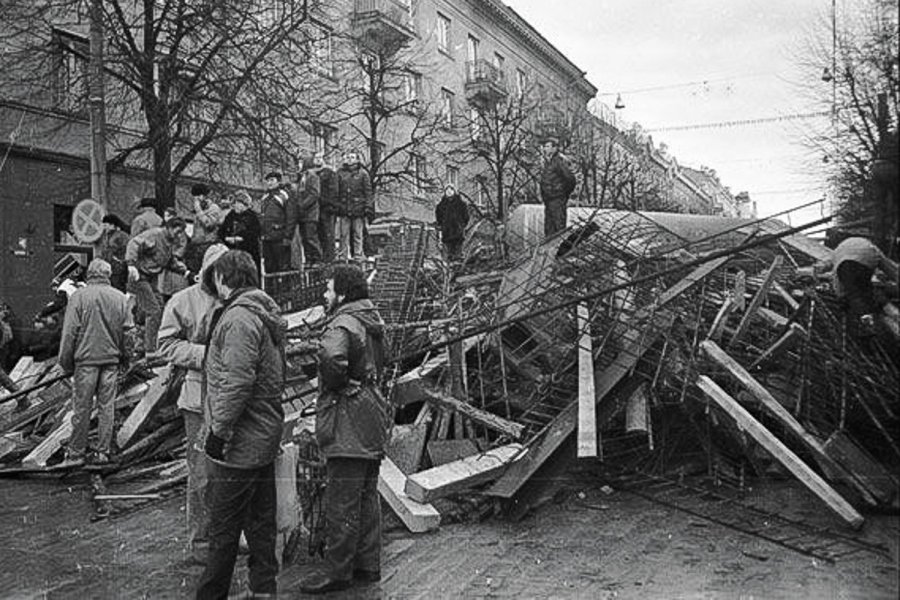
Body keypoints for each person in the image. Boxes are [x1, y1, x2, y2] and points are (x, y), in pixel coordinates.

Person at [196, 250, 285, 600]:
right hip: (261, 435)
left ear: (224, 279)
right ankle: (263, 590)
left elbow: (236, 382)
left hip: (240, 440)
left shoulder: (237, 320)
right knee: (261, 521)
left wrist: (218, 431)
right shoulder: (262, 312)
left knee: (223, 529)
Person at [299, 265, 392, 594]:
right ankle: (368, 565)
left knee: (342, 499)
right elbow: (386, 356)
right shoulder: (371, 318)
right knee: (366, 495)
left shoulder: (342, 322)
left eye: (328, 289)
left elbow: (330, 356)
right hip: (371, 410)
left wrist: (337, 384)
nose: (325, 295)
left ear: (342, 293)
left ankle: (337, 572)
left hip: (347, 415)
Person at [158, 243, 228, 567]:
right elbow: (166, 344)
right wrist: (203, 356)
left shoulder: (236, 298)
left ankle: (225, 537)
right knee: (201, 474)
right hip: (198, 401)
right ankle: (201, 541)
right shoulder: (183, 301)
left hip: (232, 400)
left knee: (229, 476)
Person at [57, 259, 132, 464]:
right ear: (107, 275)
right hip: (111, 362)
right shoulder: (120, 298)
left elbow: (69, 333)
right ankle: (102, 453)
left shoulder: (79, 297)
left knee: (82, 409)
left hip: (85, 363)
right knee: (107, 408)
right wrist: (126, 359)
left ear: (89, 274)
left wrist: (65, 363)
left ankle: (76, 454)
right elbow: (128, 333)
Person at [125, 217, 189, 354]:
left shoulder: (170, 242)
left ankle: (148, 343)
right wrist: (131, 265)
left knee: (160, 306)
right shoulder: (154, 235)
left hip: (152, 277)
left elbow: (168, 260)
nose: (179, 235)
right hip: (139, 276)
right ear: (170, 227)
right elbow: (134, 243)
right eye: (177, 232)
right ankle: (150, 350)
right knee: (153, 311)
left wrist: (185, 271)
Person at [819, 235, 899, 334]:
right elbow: (890, 269)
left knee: (854, 293)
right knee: (867, 292)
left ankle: (867, 320)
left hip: (848, 265)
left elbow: (836, 275)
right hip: (868, 261)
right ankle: (893, 313)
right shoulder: (870, 246)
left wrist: (841, 296)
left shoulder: (837, 254)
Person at [337, 151, 373, 260]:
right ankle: (343, 256)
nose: (350, 159)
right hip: (344, 208)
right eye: (348, 157)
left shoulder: (363, 174)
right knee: (343, 234)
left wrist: (367, 207)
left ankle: (358, 255)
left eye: (352, 157)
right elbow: (336, 191)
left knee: (358, 234)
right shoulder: (340, 173)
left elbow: (368, 192)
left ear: (357, 159)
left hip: (358, 208)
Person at [538, 137, 576, 239]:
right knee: (549, 229)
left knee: (559, 228)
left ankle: (561, 252)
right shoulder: (549, 162)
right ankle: (550, 253)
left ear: (554, 148)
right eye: (544, 146)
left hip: (557, 200)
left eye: (547, 146)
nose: (544, 149)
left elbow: (571, 179)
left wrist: (563, 193)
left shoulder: (559, 162)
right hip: (549, 200)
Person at [259, 171, 294, 274]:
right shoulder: (264, 198)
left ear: (278, 182)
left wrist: (288, 236)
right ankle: (270, 290)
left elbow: (291, 217)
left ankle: (284, 289)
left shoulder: (284, 195)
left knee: (282, 267)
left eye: (272, 180)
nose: (269, 183)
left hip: (280, 237)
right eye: (268, 181)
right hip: (267, 238)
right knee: (269, 267)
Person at [219, 190, 261, 271]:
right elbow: (222, 231)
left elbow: (255, 233)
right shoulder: (231, 215)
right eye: (234, 203)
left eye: (237, 203)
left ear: (243, 204)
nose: (234, 206)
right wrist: (226, 238)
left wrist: (241, 238)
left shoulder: (252, 217)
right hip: (232, 251)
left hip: (248, 253)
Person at [188, 183, 224, 274]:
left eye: (196, 198)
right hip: (197, 245)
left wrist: (199, 210)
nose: (195, 201)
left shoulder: (214, 209)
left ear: (202, 196)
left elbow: (209, 224)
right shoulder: (198, 210)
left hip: (208, 244)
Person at [294, 155, 324, 265]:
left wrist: (302, 205)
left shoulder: (312, 176)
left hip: (310, 213)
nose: (298, 165)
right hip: (303, 214)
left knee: (311, 237)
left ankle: (317, 259)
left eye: (301, 162)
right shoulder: (302, 177)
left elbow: (314, 194)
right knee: (305, 239)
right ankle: (309, 259)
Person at [435, 184, 470, 261]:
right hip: (446, 233)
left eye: (451, 189)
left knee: (458, 254)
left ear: (454, 191)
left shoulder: (461, 204)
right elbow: (439, 218)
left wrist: (461, 225)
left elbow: (466, 217)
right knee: (448, 256)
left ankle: (458, 268)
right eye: (447, 190)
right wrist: (442, 226)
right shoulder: (441, 205)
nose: (449, 191)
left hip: (458, 232)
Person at [317, 152, 340, 263]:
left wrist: (330, 204)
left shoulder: (329, 173)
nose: (317, 160)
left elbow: (333, 191)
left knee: (328, 234)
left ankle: (329, 260)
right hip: (317, 208)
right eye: (315, 158)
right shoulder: (313, 173)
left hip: (327, 208)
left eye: (319, 158)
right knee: (320, 234)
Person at [98, 215, 130, 292]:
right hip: (109, 267)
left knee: (117, 288)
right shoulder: (107, 236)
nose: (104, 228)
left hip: (118, 268)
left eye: (106, 225)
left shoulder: (122, 236)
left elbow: (126, 251)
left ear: (112, 225)